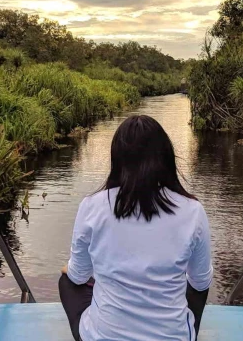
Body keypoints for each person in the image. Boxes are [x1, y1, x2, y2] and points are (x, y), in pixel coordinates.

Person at [58, 115, 213, 341]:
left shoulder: (92, 206)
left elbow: (78, 277)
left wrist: (71, 270)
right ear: (165, 158)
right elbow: (200, 282)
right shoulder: (192, 210)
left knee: (68, 282)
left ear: (117, 159)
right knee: (198, 284)